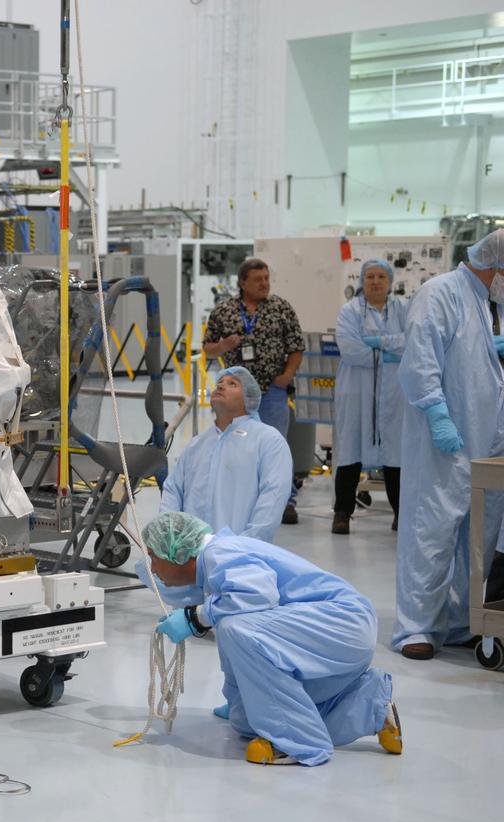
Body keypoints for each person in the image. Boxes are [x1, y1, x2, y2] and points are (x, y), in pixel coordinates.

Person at [143, 511, 402, 767]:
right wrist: (238, 700)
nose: (153, 568)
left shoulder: (220, 552)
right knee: (244, 720)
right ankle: (371, 703)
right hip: (329, 633)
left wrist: (195, 618)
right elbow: (238, 644)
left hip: (343, 622)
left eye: (153, 556)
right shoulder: (215, 565)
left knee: (236, 626)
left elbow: (256, 595)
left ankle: (301, 743)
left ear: (176, 550)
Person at [393, 230, 504, 660]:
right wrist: (437, 414)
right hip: (445, 436)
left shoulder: (488, 303)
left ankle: (462, 621)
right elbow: (420, 362)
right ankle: (416, 627)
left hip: (486, 440)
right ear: (494, 266)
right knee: (432, 530)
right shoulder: (440, 294)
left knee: (478, 533)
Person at [203, 259, 306, 524]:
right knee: (236, 444)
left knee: (275, 446)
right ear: (243, 283)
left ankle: (285, 501)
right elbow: (208, 348)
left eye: (267, 278)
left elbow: (296, 346)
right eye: (258, 279)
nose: (264, 283)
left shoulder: (280, 308)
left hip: (272, 391)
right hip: (236, 394)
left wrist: (286, 376)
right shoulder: (224, 311)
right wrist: (223, 345)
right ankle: (239, 497)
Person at [158, 366, 291, 542]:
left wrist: (248, 545)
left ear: (248, 399)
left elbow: (273, 498)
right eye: (219, 382)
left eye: (232, 384)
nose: (220, 386)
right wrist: (170, 538)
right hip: (190, 556)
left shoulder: (267, 440)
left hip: (238, 556)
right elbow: (173, 490)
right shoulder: (197, 445)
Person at [332, 259, 408, 535]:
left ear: (389, 282)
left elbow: (412, 340)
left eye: (380, 277)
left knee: (396, 451)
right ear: (362, 281)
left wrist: (377, 344)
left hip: (394, 391)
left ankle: (402, 513)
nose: (375, 281)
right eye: (369, 277)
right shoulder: (349, 311)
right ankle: (342, 513)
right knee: (351, 447)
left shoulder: (404, 308)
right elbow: (350, 349)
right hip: (357, 389)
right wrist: (390, 351)